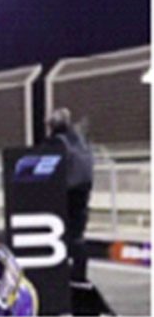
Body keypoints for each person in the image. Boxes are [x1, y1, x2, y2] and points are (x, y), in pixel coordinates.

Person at [45, 107, 94, 283]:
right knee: (77, 235)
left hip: (66, 192)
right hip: (83, 190)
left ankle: (61, 275)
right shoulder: (79, 139)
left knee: (61, 235)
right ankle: (79, 274)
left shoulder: (56, 142)